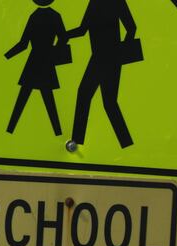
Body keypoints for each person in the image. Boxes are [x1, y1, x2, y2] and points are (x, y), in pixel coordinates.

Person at [67, 0, 139, 148]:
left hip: (106, 58)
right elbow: (83, 30)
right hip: (103, 58)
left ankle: (77, 140)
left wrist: (121, 52)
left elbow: (131, 27)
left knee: (85, 95)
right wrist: (64, 35)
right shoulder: (95, 2)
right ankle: (126, 142)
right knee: (108, 103)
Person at [4, 0, 70, 136]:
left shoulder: (35, 16)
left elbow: (23, 44)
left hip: (34, 61)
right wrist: (53, 52)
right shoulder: (55, 16)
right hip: (46, 61)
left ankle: (10, 130)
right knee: (47, 98)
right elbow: (63, 38)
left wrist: (7, 56)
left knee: (24, 98)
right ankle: (58, 133)